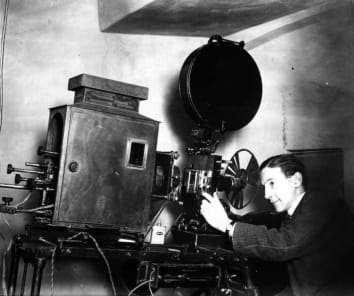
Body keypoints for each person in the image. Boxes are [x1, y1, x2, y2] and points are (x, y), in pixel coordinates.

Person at [200, 153, 354, 296]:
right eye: (264, 187)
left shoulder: (322, 202)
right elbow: (259, 221)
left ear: (296, 180)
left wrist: (227, 225)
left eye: (272, 183)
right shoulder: (293, 213)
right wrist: (225, 216)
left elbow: (284, 243)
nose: (267, 195)